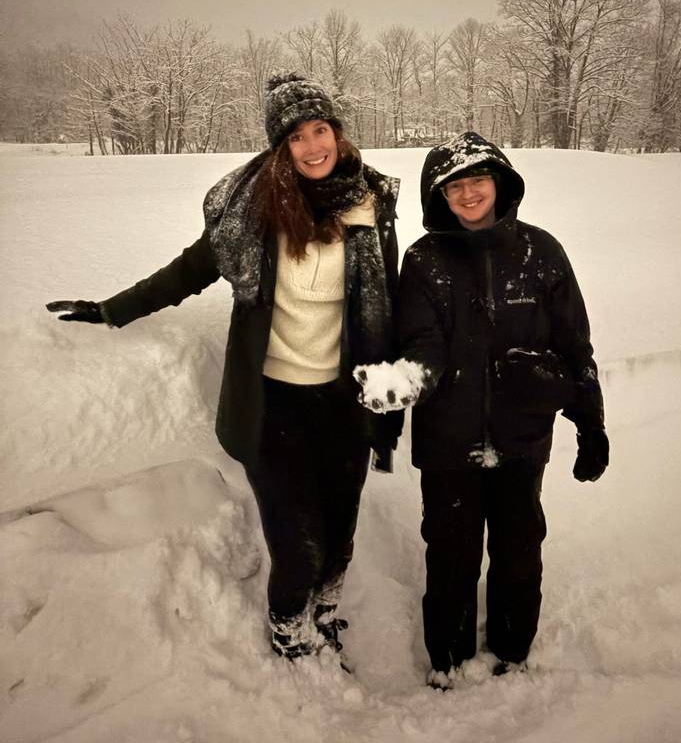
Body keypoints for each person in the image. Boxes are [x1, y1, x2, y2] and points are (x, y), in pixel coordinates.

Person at [47, 72, 402, 664]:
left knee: (340, 533)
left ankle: (324, 614)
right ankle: (291, 638)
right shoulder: (251, 212)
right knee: (297, 548)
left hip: (345, 401)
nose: (314, 147)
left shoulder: (371, 205)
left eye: (322, 130)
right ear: (279, 147)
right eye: (296, 137)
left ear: (338, 134)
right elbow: (186, 273)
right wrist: (112, 309)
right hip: (272, 404)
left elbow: (386, 296)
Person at [354, 131, 608, 689]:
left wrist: (590, 422)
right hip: (448, 443)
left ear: (499, 182)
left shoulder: (541, 252)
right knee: (451, 556)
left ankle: (513, 653)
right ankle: (447, 662)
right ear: (439, 196)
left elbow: (574, 344)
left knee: (519, 552)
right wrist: (392, 400)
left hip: (521, 441)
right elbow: (422, 342)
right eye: (455, 187)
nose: (468, 194)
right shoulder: (425, 260)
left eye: (478, 180)